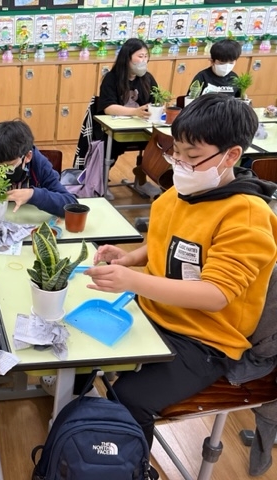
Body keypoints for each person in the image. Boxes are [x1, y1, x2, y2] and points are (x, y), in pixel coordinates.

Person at [85, 94, 277, 475]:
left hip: (205, 339)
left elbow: (215, 295)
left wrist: (134, 281)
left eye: (192, 156)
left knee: (130, 397)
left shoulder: (246, 215)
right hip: (159, 312)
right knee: (84, 351)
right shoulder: (181, 192)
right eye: (176, 151)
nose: (180, 163)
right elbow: (170, 240)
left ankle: (133, 468)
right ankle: (85, 429)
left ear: (231, 155)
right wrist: (131, 258)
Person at [97, 38, 159, 165]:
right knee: (110, 148)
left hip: (143, 129)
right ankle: (101, 174)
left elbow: (156, 101)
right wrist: (135, 112)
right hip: (117, 131)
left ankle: (146, 170)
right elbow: (108, 107)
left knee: (162, 144)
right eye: (140, 56)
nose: (144, 60)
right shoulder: (111, 78)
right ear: (127, 58)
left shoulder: (148, 78)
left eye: (146, 56)